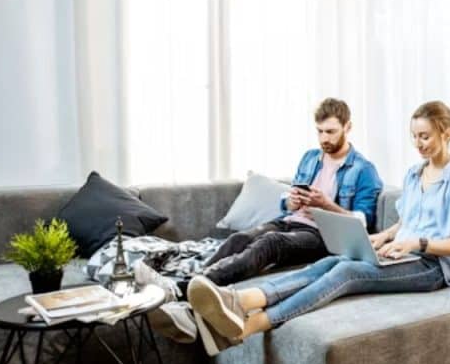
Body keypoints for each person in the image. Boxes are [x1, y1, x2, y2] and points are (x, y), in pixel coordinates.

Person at [186, 100, 450, 355]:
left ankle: (249, 326)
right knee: (330, 262)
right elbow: (406, 222)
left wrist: (416, 244)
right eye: (414, 136)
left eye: (425, 136)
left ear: (445, 133)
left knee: (346, 272)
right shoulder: (414, 174)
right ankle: (239, 300)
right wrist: (380, 237)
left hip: (430, 267)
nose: (419, 144)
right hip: (401, 253)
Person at [149, 97, 383, 343]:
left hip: (323, 235)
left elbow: (361, 221)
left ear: (348, 127)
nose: (324, 138)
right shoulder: (311, 157)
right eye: (320, 131)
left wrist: (325, 204)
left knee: (270, 243)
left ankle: (181, 292)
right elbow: (289, 198)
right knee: (239, 239)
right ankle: (193, 291)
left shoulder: (363, 169)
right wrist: (290, 201)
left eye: (331, 132)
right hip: (291, 220)